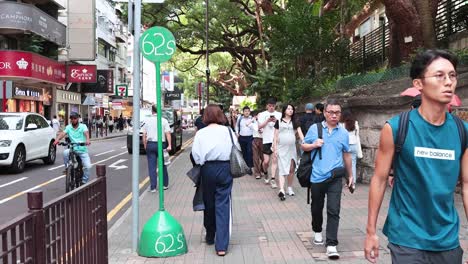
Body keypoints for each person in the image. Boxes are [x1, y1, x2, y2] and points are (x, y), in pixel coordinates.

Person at [365, 49, 468, 264]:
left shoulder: (462, 131)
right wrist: (370, 231)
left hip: (448, 240)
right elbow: (380, 179)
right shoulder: (396, 128)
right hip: (407, 239)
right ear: (418, 84)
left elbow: (467, 185)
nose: (448, 82)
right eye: (439, 76)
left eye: (452, 75)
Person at [301, 99, 353, 260]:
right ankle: (317, 230)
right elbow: (303, 146)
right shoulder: (314, 129)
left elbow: (346, 154)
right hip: (317, 176)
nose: (334, 115)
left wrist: (350, 175)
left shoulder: (343, 133)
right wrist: (314, 144)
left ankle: (331, 244)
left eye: (337, 112)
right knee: (317, 208)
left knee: (333, 209)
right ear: (324, 113)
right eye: (330, 112)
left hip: (335, 177)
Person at [191, 104, 239, 257]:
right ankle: (222, 246)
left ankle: (210, 235)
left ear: (205, 116)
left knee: (209, 203)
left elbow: (196, 155)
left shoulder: (201, 133)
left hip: (208, 170)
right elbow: (236, 148)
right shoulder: (228, 131)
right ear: (220, 115)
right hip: (225, 168)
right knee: (223, 204)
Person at [53, 112, 92, 184]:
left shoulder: (83, 126)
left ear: (78, 119)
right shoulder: (68, 127)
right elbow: (62, 134)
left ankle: (84, 181)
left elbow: (86, 133)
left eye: (75, 118)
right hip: (72, 149)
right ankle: (67, 168)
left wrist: (87, 140)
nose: (73, 120)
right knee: (65, 152)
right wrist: (57, 140)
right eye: (72, 118)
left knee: (88, 166)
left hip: (82, 150)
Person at [142, 105, 172, 192]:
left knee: (152, 166)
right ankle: (164, 185)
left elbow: (144, 135)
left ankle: (153, 187)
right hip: (161, 144)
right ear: (160, 111)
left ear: (152, 111)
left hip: (150, 144)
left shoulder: (146, 121)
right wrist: (169, 145)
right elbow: (168, 133)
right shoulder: (164, 120)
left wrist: (145, 145)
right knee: (163, 164)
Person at [272, 104, 298, 200]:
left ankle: (289, 187)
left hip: (292, 149)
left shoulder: (295, 121)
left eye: (292, 109)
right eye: (288, 109)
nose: (291, 110)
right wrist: (275, 148)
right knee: (282, 168)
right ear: (284, 111)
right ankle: (282, 189)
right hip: (281, 148)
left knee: (291, 168)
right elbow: (275, 136)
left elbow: (298, 132)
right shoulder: (278, 121)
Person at [258, 98, 282, 189]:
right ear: (267, 106)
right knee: (266, 162)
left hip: (276, 140)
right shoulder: (262, 114)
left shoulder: (279, 115)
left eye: (273, 106)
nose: (271, 107)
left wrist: (276, 121)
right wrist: (267, 121)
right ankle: (265, 173)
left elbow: (282, 126)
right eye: (270, 105)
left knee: (274, 160)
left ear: (275, 106)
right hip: (266, 140)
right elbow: (259, 126)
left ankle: (272, 179)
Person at [340, 109, 363, 189]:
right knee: (352, 164)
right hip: (354, 145)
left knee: (342, 164)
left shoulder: (341, 124)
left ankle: (343, 181)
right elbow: (357, 135)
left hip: (345, 145)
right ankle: (352, 183)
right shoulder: (355, 123)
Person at [235, 106, 254, 171]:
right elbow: (237, 126)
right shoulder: (240, 118)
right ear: (243, 112)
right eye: (245, 111)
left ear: (249, 112)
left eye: (248, 111)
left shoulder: (252, 119)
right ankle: (245, 166)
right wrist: (237, 133)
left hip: (250, 138)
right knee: (244, 152)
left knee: (249, 152)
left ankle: (249, 167)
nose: (247, 112)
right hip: (242, 138)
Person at [249, 110, 264, 180]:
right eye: (258, 115)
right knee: (255, 157)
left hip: (263, 140)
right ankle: (257, 173)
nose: (259, 116)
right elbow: (247, 124)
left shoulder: (264, 123)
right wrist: (253, 119)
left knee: (263, 158)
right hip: (255, 140)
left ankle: (262, 169)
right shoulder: (253, 123)